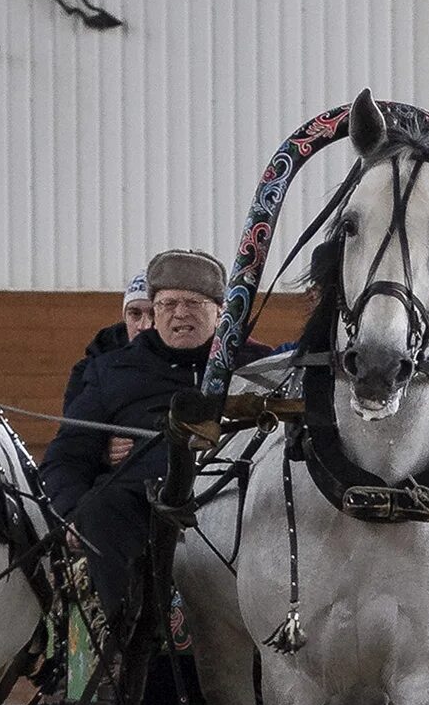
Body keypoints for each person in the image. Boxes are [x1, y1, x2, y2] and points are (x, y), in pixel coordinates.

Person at [41, 248, 267, 618]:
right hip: (141, 507)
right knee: (100, 508)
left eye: (193, 303)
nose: (180, 314)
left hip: (237, 506)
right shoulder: (112, 371)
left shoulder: (255, 369)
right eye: (167, 304)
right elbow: (66, 457)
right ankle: (131, 639)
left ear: (220, 311)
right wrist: (71, 512)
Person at [62, 270, 154, 410]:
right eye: (135, 314)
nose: (144, 326)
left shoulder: (186, 367)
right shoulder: (89, 371)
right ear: (125, 317)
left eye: (154, 314)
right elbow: (73, 428)